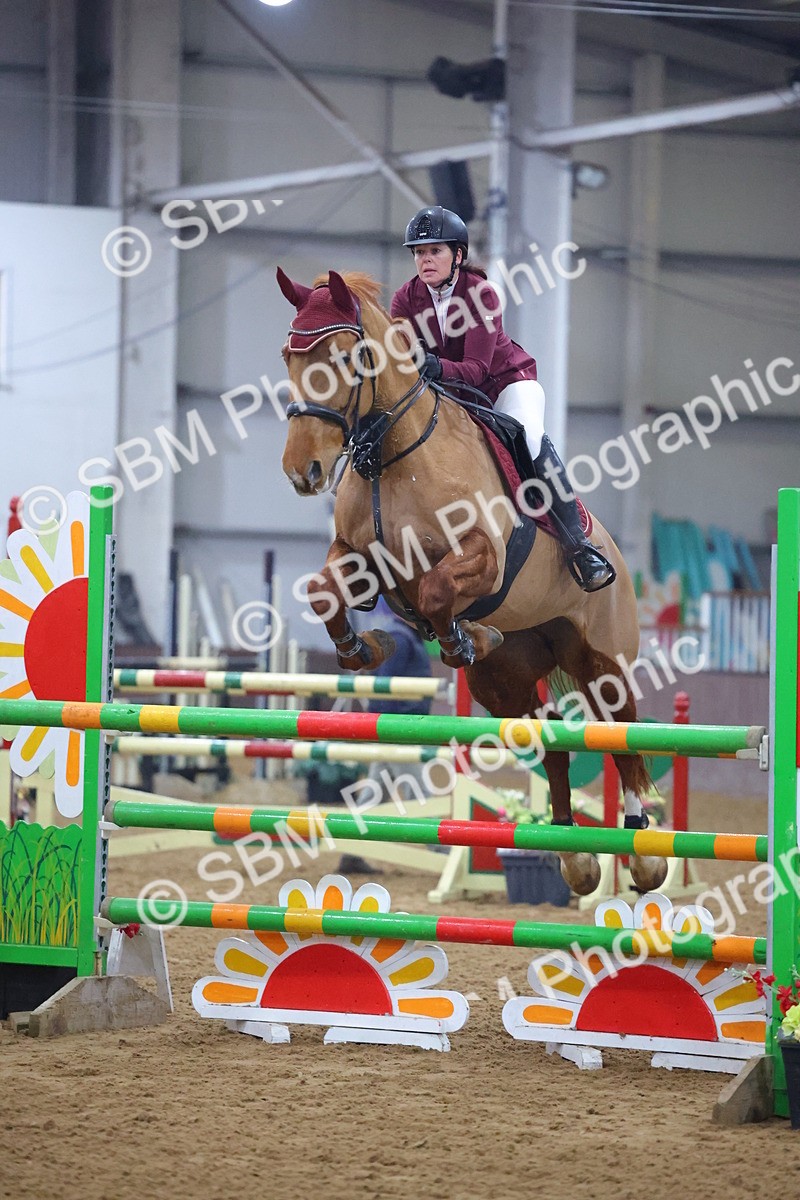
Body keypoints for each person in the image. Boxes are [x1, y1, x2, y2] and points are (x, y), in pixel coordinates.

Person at [390, 205, 615, 593]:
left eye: (435, 252)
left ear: (458, 255)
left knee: (527, 437)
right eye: (419, 253)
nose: (425, 260)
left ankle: (579, 545)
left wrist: (429, 365)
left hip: (504, 385)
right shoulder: (405, 300)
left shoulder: (481, 294)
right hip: (450, 395)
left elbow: (476, 368)